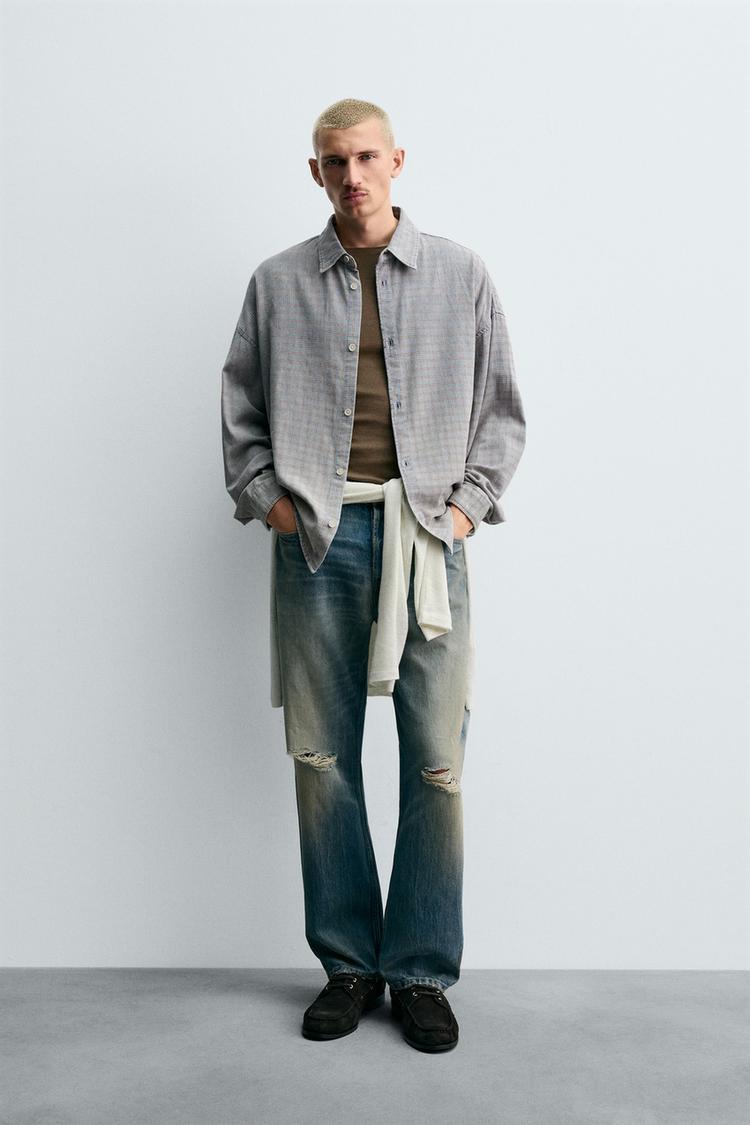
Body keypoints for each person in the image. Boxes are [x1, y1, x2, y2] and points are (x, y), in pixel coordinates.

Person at [220, 97, 526, 1052]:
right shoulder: (278, 283)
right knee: (322, 760)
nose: (350, 176)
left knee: (437, 761)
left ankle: (422, 971)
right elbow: (239, 412)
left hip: (428, 538)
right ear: (315, 172)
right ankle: (349, 964)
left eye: (364, 157)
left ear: (397, 160)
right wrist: (274, 502)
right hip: (318, 537)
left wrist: (465, 508)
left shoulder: (460, 274)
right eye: (332, 161)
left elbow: (502, 411)